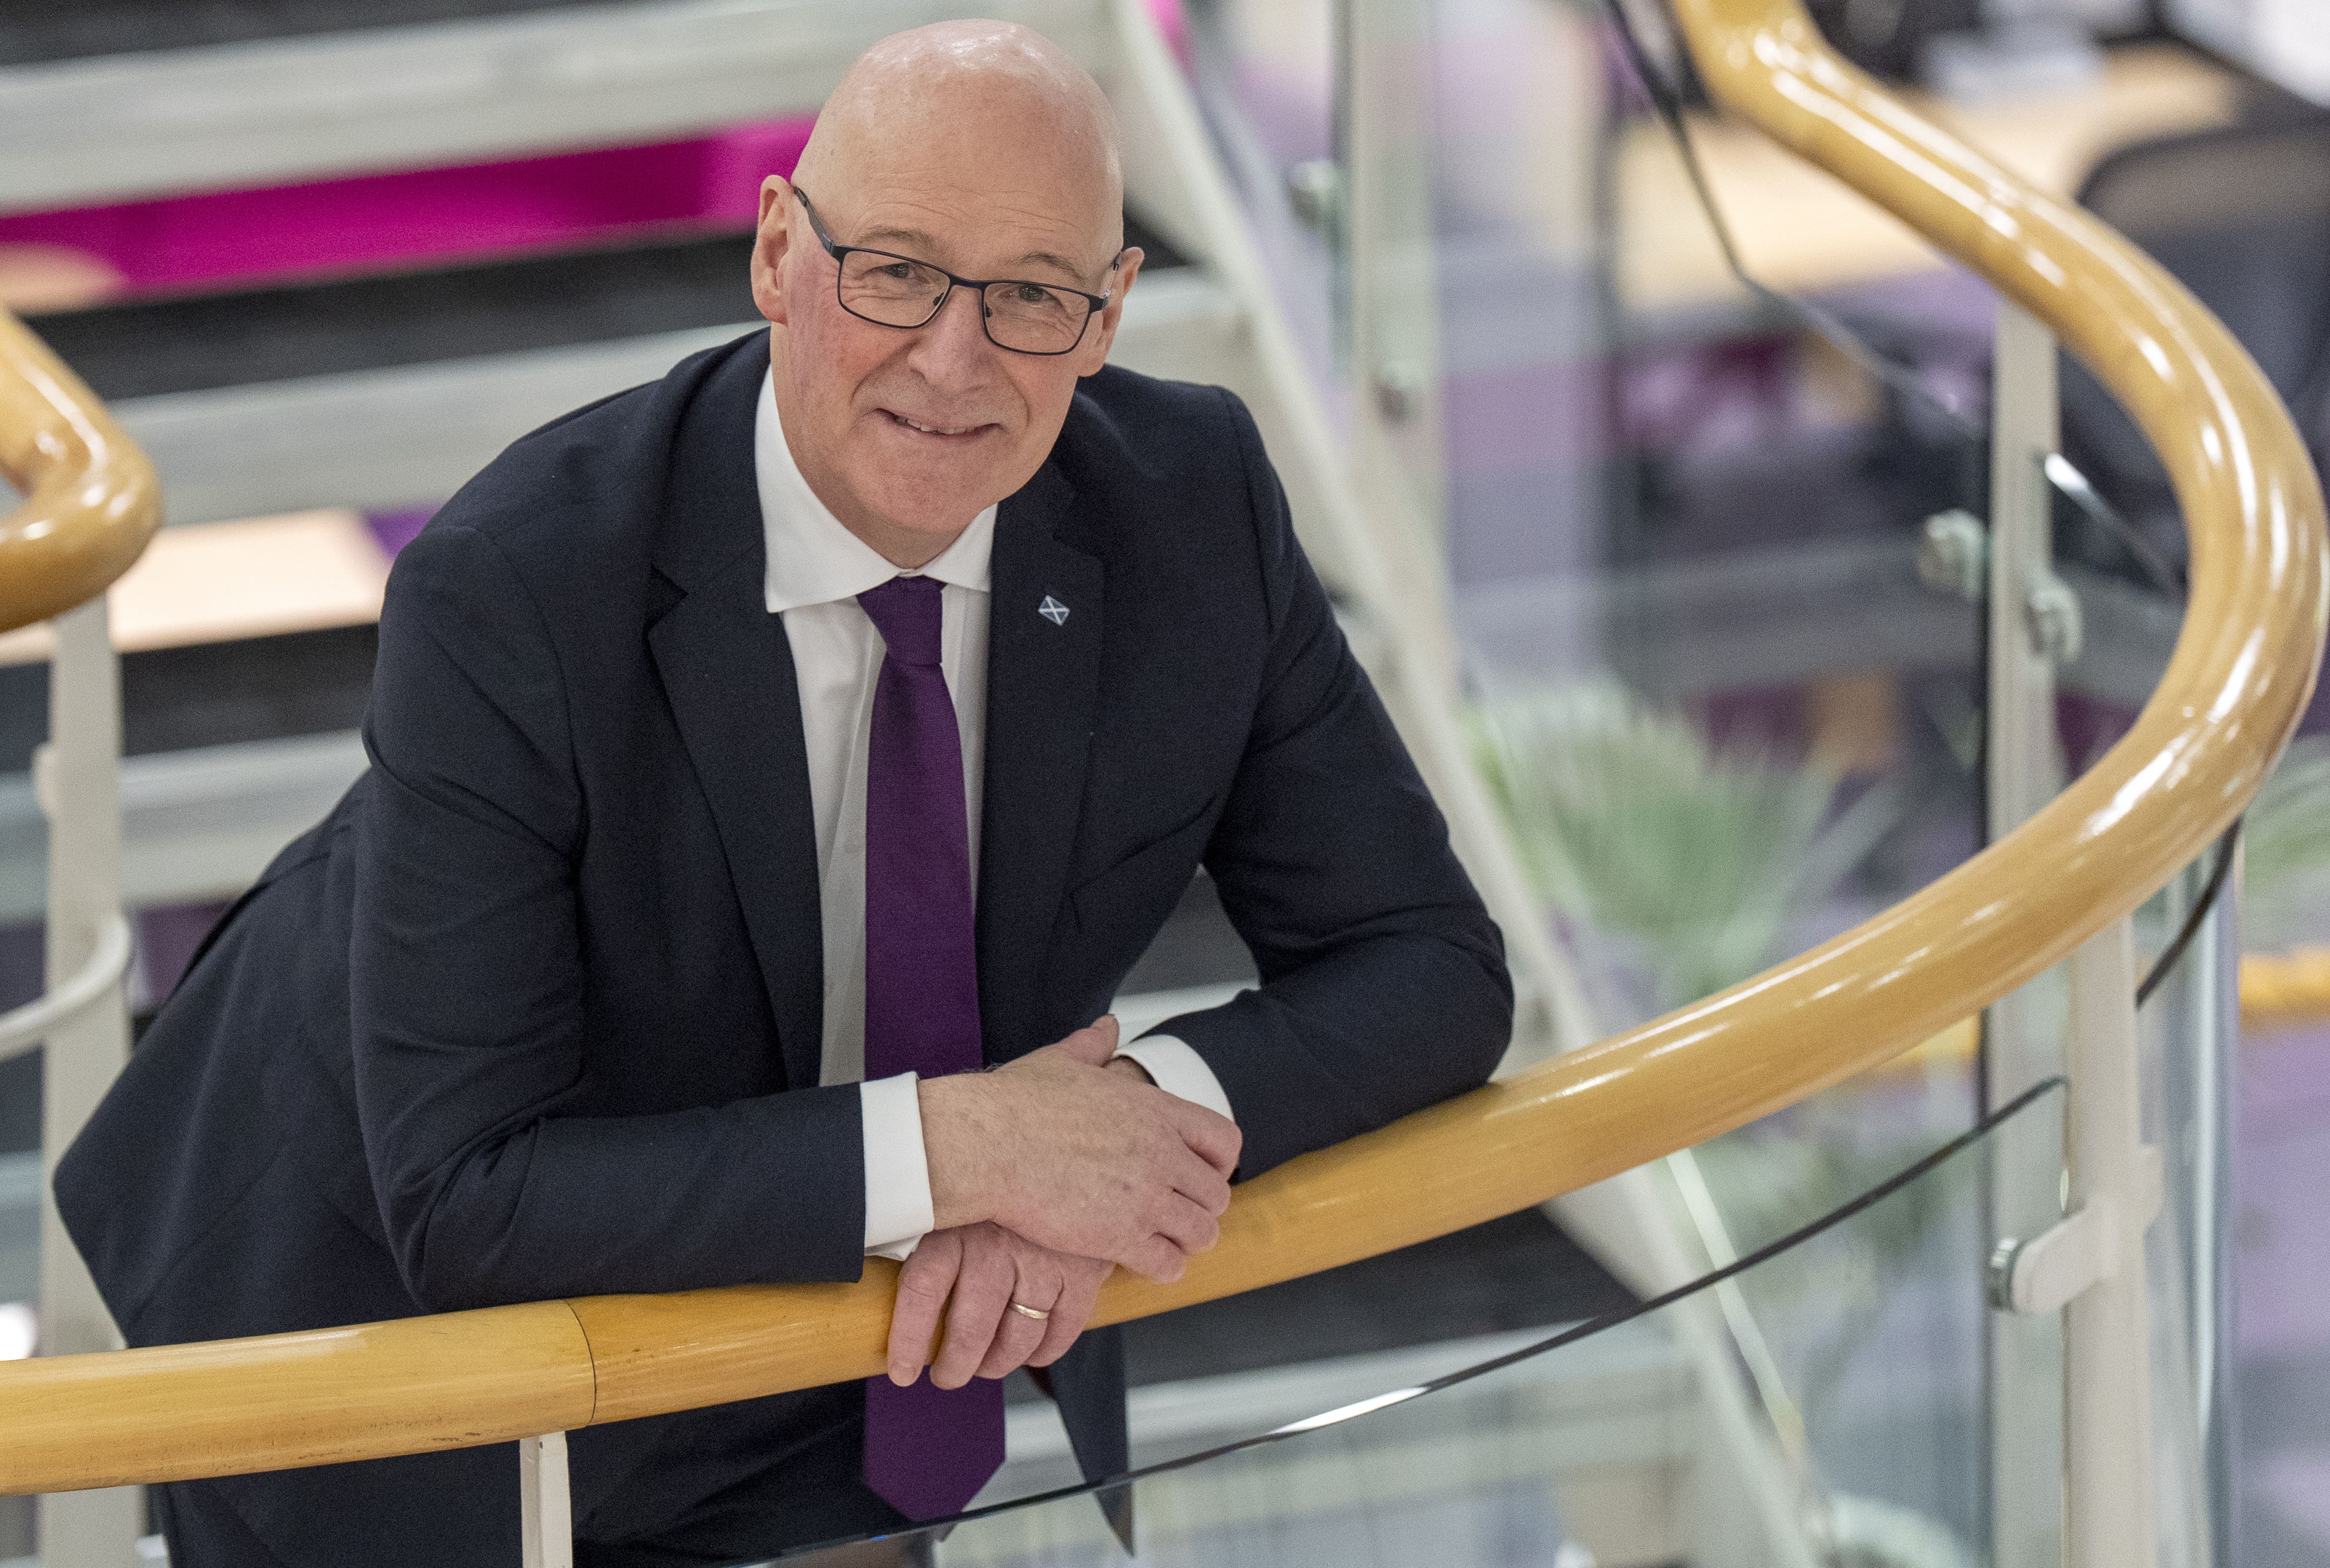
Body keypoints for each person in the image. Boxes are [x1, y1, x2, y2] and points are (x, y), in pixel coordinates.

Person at [57, 19, 1512, 1568]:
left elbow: (1432, 965)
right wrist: (969, 1147)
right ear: (774, 253)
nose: (954, 361)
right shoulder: (519, 585)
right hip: (411, 1342)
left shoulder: (1190, 505)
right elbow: (470, 1189)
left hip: (847, 1321)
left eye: (1030, 296)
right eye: (894, 270)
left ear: (1107, 320)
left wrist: (1120, 1127)